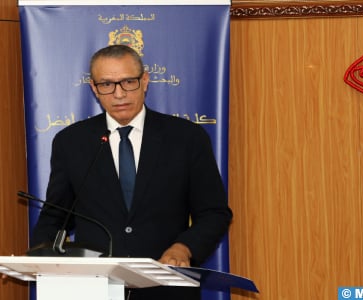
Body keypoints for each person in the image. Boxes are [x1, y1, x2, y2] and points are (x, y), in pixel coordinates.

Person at [30, 44, 232, 300]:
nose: (119, 94)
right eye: (107, 84)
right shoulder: (71, 142)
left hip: (165, 287)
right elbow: (56, 217)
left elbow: (214, 213)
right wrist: (35, 257)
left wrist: (184, 248)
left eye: (128, 82)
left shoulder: (186, 138)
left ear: (145, 80)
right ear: (94, 88)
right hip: (92, 288)